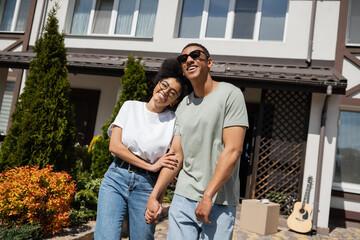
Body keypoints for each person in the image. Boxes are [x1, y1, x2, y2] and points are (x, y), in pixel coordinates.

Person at [145, 43, 249, 240]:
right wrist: (155, 195)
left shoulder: (230, 94)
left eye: (195, 55)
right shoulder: (184, 105)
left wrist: (208, 196)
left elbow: (233, 150)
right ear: (183, 70)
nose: (189, 60)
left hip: (219, 200)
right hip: (183, 197)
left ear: (209, 62)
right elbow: (176, 156)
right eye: (183, 59)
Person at [94, 58, 191, 240]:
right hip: (116, 177)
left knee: (142, 237)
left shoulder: (174, 121)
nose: (165, 92)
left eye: (172, 93)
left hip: (147, 185)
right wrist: (151, 166)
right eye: (164, 85)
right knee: (105, 237)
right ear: (158, 82)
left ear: (175, 100)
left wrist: (158, 198)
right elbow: (114, 146)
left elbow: (172, 162)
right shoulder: (130, 107)